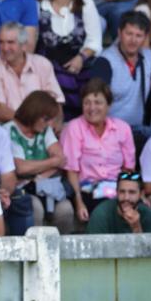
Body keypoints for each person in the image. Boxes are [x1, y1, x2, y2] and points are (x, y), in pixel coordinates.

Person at [62, 79, 137, 226]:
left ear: (108, 105)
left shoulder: (123, 128)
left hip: (118, 190)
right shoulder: (74, 128)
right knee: (109, 212)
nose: (92, 108)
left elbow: (129, 169)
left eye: (98, 102)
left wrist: (136, 194)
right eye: (87, 102)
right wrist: (79, 202)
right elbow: (71, 171)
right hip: (87, 191)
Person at [37, 0, 101, 113]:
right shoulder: (39, 7)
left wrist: (81, 58)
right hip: (50, 73)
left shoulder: (86, 4)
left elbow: (95, 41)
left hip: (81, 70)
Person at [9, 90, 73, 232]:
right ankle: (35, 252)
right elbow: (20, 167)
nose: (49, 124)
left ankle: (62, 253)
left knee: (66, 209)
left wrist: (35, 175)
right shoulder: (9, 130)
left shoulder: (45, 130)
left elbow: (61, 159)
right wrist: (51, 162)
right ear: (34, 113)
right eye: (45, 119)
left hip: (46, 188)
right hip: (20, 191)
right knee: (35, 208)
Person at [90, 12, 151, 146]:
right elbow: (96, 104)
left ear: (145, 38)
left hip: (139, 131)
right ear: (119, 33)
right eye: (129, 34)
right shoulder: (105, 61)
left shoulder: (149, 57)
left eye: (138, 35)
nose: (133, 40)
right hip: (111, 132)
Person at [0, 22, 63, 123]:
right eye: (1, 42)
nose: (5, 48)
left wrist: (55, 123)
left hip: (42, 127)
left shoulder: (42, 63)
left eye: (10, 42)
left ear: (24, 45)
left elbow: (57, 101)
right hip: (6, 129)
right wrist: (30, 124)